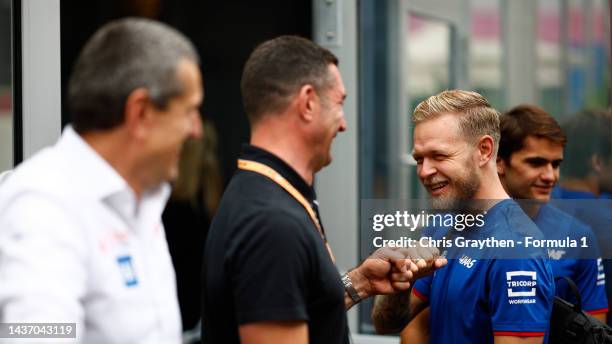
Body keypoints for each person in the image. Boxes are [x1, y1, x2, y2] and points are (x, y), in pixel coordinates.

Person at [201, 35, 445, 344]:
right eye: (339, 103)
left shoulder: (269, 194)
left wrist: (360, 282)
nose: (343, 124)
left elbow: (297, 306)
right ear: (307, 103)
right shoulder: (272, 223)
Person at [0, 18, 203, 343]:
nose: (196, 130)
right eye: (189, 111)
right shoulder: (45, 204)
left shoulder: (143, 199)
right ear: (140, 112)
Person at [372, 90, 554, 343]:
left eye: (439, 156)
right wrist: (400, 282)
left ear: (484, 150)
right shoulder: (442, 226)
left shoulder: (517, 248)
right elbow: (387, 323)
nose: (424, 171)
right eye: (419, 159)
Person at [496, 104, 607, 322]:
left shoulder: (578, 236)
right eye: (536, 163)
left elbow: (595, 329)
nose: (550, 176)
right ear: (499, 162)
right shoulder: (457, 227)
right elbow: (421, 322)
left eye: (555, 164)